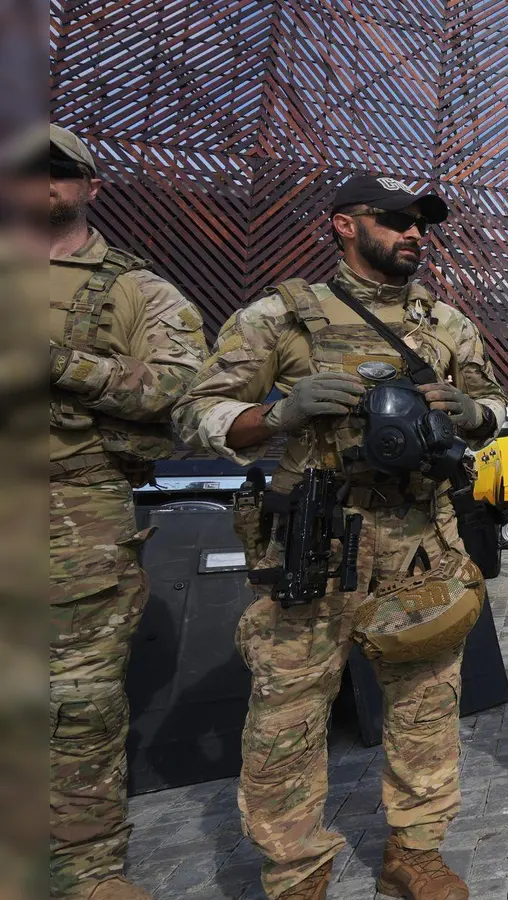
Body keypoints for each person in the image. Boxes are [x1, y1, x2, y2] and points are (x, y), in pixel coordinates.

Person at [173, 174, 508, 899]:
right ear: (345, 226)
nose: (414, 232)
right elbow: (194, 412)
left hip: (420, 538)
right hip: (316, 538)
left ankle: (413, 854)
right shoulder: (282, 316)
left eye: (423, 222)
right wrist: (277, 413)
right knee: (288, 715)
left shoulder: (445, 324)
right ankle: (296, 871)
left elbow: (497, 407)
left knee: (425, 704)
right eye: (395, 219)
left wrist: (472, 412)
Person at [48, 124, 206, 900]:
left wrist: (59, 363)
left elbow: (181, 388)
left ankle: (88, 873)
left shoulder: (134, 290)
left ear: (87, 187)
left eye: (55, 172)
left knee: (77, 707)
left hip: (73, 512)